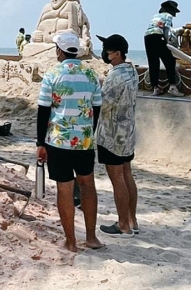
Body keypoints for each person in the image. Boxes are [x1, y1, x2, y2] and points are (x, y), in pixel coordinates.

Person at [36, 31, 103, 252]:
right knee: (88, 185)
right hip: (84, 140)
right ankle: (91, 237)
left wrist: (40, 143)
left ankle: (71, 241)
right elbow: (97, 108)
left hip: (58, 141)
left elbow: (43, 111)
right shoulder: (91, 75)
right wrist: (88, 133)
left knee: (64, 189)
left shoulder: (52, 75)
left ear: (59, 51)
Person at [95, 33, 140, 237]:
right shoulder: (132, 71)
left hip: (112, 134)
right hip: (127, 132)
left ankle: (123, 224)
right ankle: (132, 219)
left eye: (108, 50)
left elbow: (104, 103)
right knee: (127, 174)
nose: (105, 53)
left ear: (117, 53)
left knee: (117, 178)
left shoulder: (115, 76)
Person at [144, 0, 183, 97]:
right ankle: (172, 87)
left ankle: (155, 88)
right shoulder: (168, 16)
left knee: (153, 62)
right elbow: (166, 31)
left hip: (147, 37)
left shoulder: (156, 16)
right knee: (170, 60)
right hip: (158, 36)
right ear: (171, 10)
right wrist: (167, 43)